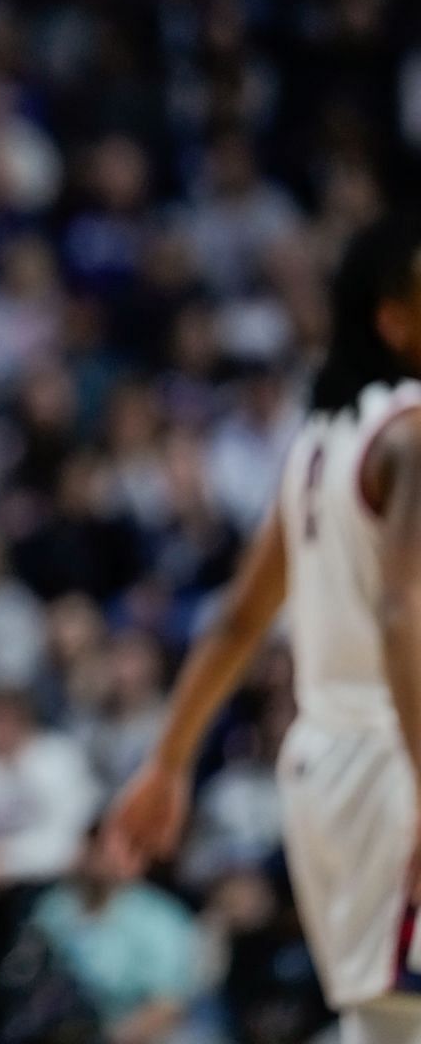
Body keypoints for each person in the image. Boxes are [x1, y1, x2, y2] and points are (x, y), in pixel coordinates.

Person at [110, 209, 421, 1044]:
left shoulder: (320, 442)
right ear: (394, 318)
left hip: (324, 769)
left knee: (388, 1029)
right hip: (397, 762)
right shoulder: (412, 434)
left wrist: (167, 762)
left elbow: (239, 619)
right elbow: (403, 616)